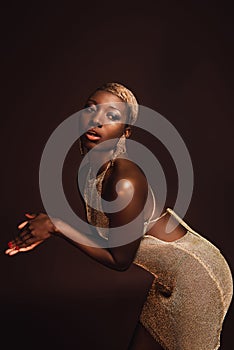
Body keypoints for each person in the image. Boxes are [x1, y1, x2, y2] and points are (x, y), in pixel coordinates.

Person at [5, 82, 233, 350]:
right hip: (169, 278)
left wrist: (57, 226)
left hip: (198, 278)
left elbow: (119, 258)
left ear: (125, 132)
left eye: (111, 116)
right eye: (91, 109)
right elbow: (107, 236)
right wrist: (53, 224)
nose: (98, 120)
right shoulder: (92, 170)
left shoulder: (124, 179)